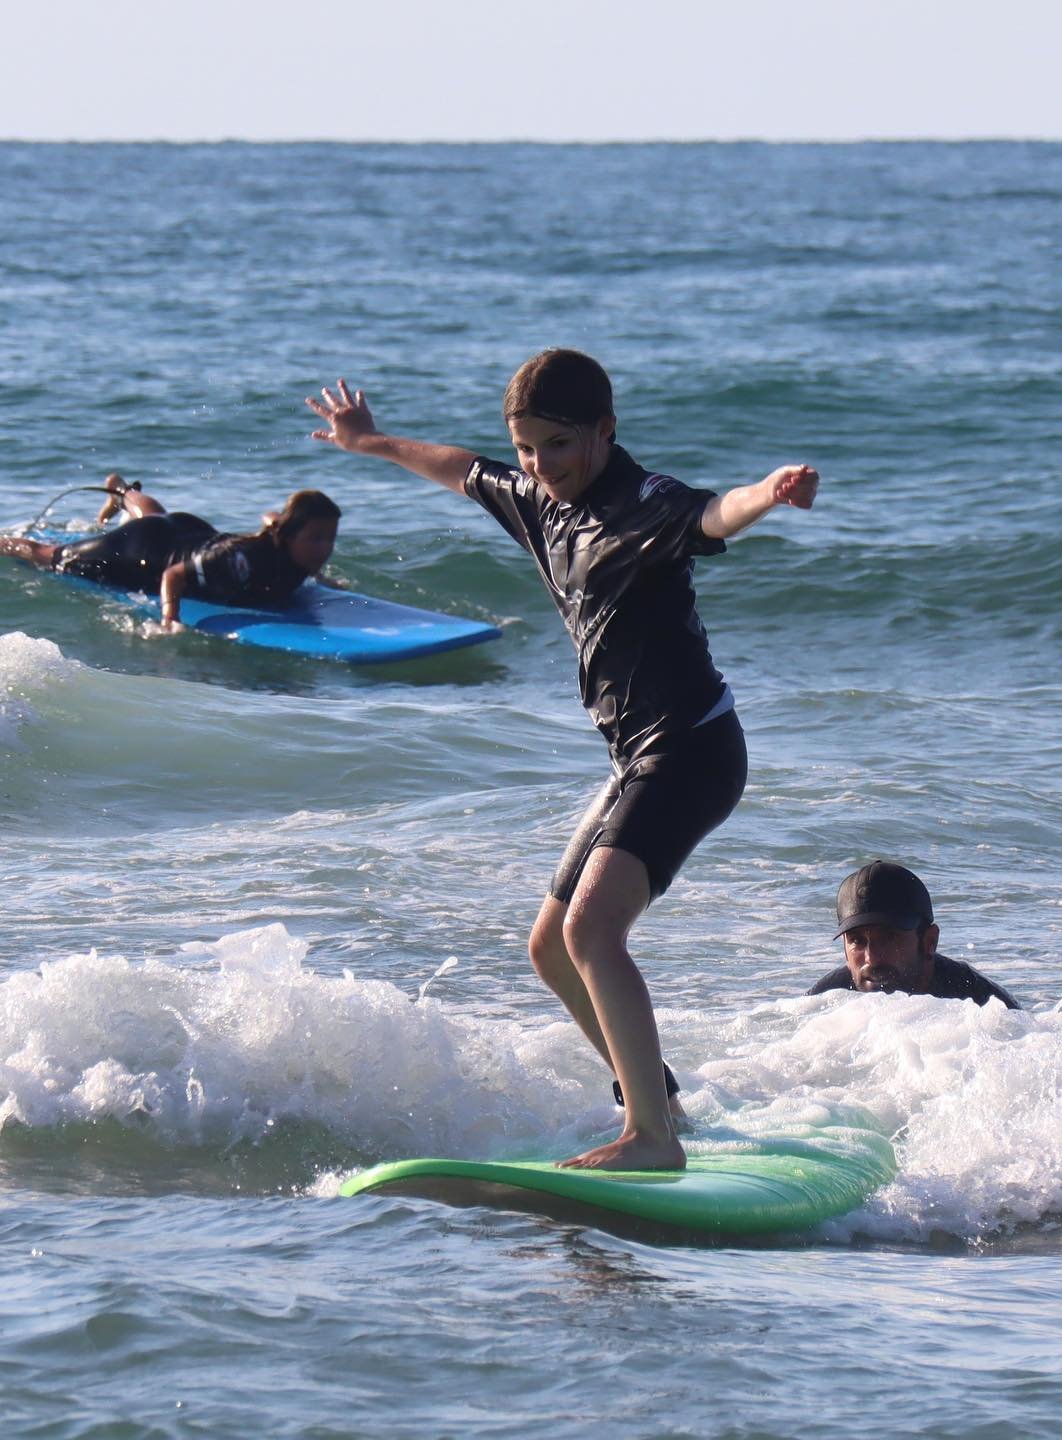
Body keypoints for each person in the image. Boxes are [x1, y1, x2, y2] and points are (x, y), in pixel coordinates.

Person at [306, 353, 818, 1171]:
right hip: (637, 757)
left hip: (693, 749)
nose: (540, 467)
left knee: (592, 930)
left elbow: (714, 514)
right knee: (551, 949)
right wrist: (368, 443)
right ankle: (662, 1105)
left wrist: (769, 493)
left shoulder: (643, 505)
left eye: (558, 446)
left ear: (604, 433)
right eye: (528, 449)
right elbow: (459, 468)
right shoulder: (539, 501)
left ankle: (651, 1139)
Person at [0, 474, 341, 631]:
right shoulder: (241, 561)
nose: (324, 547)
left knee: (156, 517)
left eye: (330, 538)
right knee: (50, 556)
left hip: (187, 531)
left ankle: (121, 490)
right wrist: (169, 619)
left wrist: (318, 574)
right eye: (316, 539)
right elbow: (173, 575)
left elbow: (272, 518)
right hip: (145, 549)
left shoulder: (291, 545)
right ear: (290, 534)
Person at [809, 861, 1019, 1007]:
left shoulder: (980, 1003)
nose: (871, 958)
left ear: (929, 942)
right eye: (857, 941)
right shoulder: (823, 1002)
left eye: (888, 938)